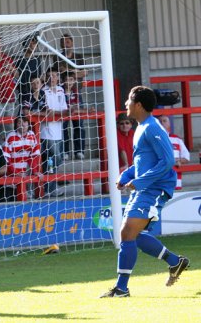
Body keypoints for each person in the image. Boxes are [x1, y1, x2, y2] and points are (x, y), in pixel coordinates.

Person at [100, 86, 189, 298]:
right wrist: (127, 174)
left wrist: (139, 181)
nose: (125, 104)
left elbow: (167, 161)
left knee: (127, 232)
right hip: (147, 186)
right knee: (133, 235)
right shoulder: (141, 127)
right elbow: (144, 161)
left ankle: (121, 288)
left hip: (156, 188)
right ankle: (175, 262)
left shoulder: (152, 128)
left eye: (128, 101)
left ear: (138, 105)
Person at [39, 68, 68, 196]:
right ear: (46, 77)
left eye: (55, 75)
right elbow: (48, 111)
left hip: (58, 130)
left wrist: (59, 113)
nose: (52, 78)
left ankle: (49, 188)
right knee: (56, 157)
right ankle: (50, 186)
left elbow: (64, 109)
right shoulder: (43, 91)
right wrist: (58, 113)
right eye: (49, 75)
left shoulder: (61, 90)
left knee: (51, 161)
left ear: (58, 77)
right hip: (46, 131)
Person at [0, 116, 42, 201]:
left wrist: (35, 171)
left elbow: (34, 156)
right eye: (19, 122)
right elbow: (6, 159)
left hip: (26, 175)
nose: (22, 124)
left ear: (28, 123)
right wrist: (16, 173)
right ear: (16, 125)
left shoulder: (32, 135)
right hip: (11, 177)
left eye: (25, 122)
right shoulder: (10, 136)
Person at [157, 115, 190, 190]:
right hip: (158, 181)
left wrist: (178, 160)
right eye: (159, 121)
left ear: (169, 124)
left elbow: (187, 157)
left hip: (175, 180)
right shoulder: (151, 139)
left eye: (164, 121)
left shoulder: (176, 139)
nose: (162, 123)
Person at [62, 72, 87, 160]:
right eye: (66, 80)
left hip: (75, 113)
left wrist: (75, 110)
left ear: (75, 81)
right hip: (63, 113)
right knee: (63, 129)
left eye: (71, 80)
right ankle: (65, 152)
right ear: (63, 81)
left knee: (79, 126)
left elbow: (80, 106)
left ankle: (79, 151)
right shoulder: (60, 91)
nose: (69, 82)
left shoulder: (77, 92)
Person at [16, 33, 43, 104]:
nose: (31, 45)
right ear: (25, 46)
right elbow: (18, 79)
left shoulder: (38, 60)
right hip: (25, 94)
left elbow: (39, 77)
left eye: (34, 43)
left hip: (36, 94)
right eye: (29, 43)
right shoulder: (20, 61)